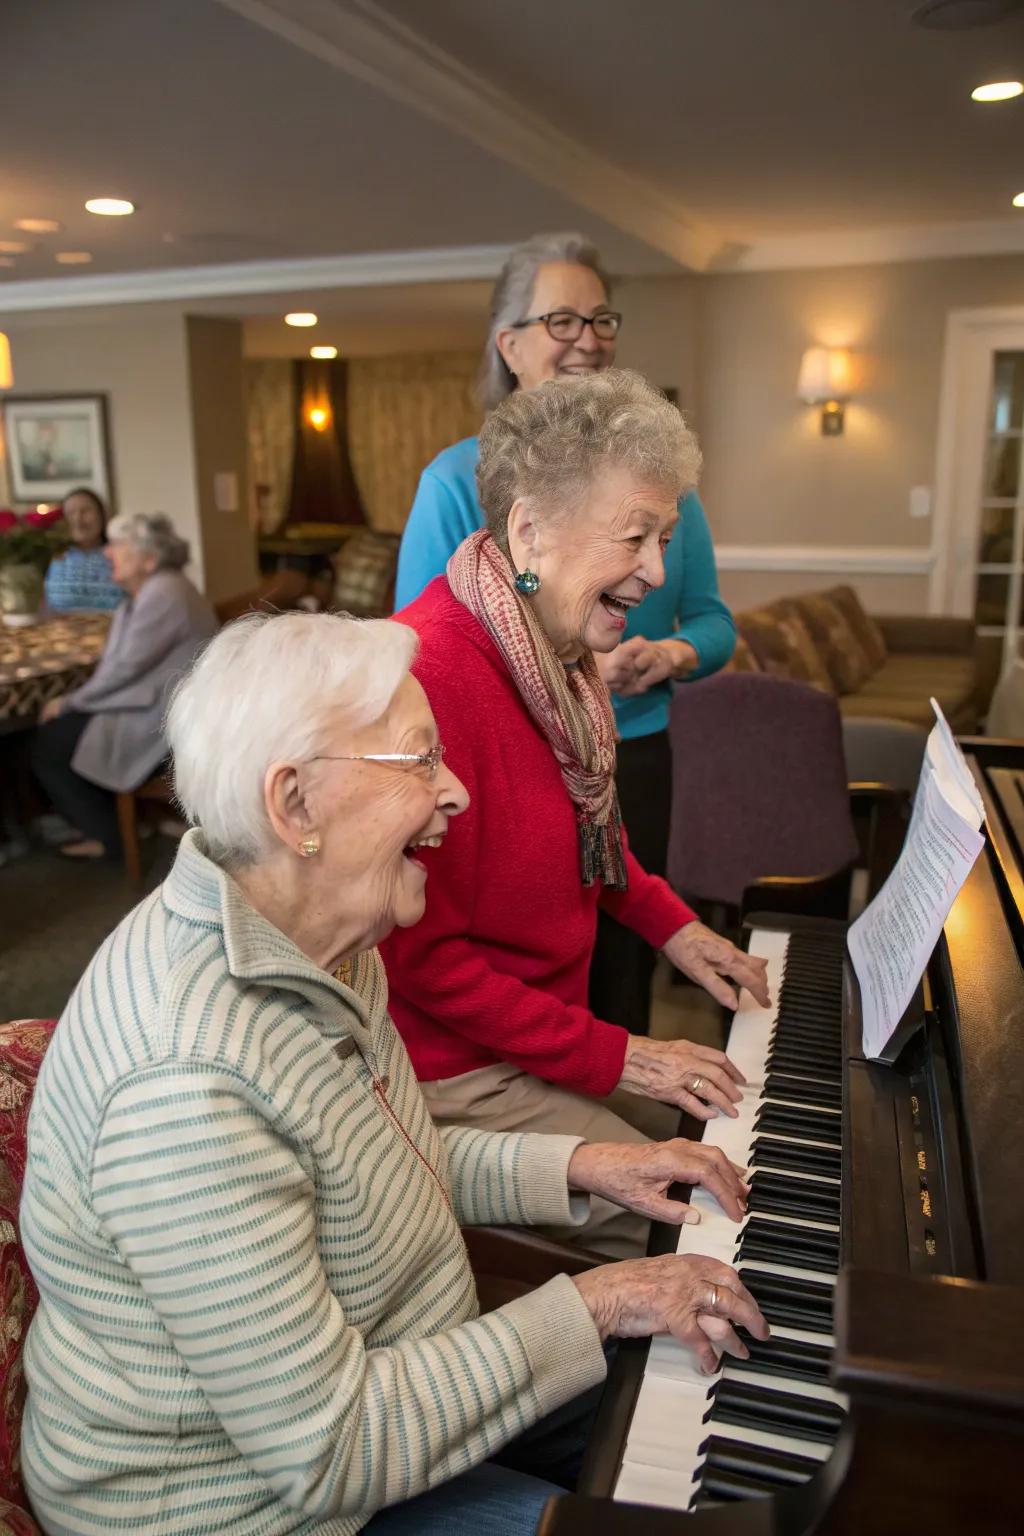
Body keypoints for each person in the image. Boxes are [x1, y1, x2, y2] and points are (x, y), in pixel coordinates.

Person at [20, 610, 769, 1536]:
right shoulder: (187, 1085)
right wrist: (599, 1299)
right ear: (294, 806)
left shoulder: (322, 933)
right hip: (245, 1509)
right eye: (419, 761)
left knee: (720, 1397)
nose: (455, 791)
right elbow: (328, 1453)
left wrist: (582, 1165)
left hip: (387, 1387)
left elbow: (375, 1161)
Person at [382, 371, 769, 1261]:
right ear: (530, 531)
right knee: (694, 1215)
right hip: (452, 1068)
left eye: (665, 538)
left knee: (725, 1125)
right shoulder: (429, 677)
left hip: (534, 1031)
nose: (659, 571)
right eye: (635, 536)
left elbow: (586, 838)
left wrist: (675, 930)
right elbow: (420, 958)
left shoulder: (555, 646)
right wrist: (622, 1055)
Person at [395, 232, 736, 1036]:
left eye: (601, 318)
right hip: (505, 765)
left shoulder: (650, 495)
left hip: (628, 747)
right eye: (561, 321)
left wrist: (674, 654)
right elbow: (419, 665)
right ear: (509, 346)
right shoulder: (455, 487)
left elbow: (715, 621)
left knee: (613, 965)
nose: (588, 337)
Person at [30, 511, 217, 859]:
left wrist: (69, 702)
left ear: (148, 559)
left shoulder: (164, 592)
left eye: (118, 546)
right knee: (58, 734)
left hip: (164, 720)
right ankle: (111, 824)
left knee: (49, 744)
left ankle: (110, 838)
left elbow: (122, 670)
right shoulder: (156, 588)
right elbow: (121, 668)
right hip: (161, 704)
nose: (107, 552)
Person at [42, 486, 122, 611]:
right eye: (71, 513)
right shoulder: (49, 556)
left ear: (102, 516)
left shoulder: (122, 554)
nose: (78, 519)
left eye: (86, 511)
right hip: (58, 629)